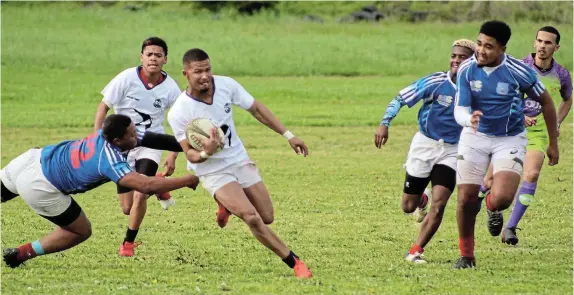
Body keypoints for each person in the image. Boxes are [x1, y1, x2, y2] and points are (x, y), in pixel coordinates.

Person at [167, 48, 312, 278]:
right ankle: (295, 262)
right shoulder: (179, 111)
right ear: (186, 74)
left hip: (238, 159)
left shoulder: (226, 85)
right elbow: (191, 155)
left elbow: (256, 109)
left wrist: (289, 135)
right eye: (198, 72)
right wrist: (206, 151)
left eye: (208, 69)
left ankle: (227, 205)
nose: (205, 76)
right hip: (212, 169)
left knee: (267, 216)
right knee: (251, 218)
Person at [1, 114, 200, 268]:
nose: (137, 135)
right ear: (117, 140)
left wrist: (193, 145)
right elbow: (145, 185)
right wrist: (188, 179)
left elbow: (158, 140)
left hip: (31, 159)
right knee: (81, 231)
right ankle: (22, 253)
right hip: (40, 186)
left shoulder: (108, 134)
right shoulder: (109, 160)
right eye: (131, 134)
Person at [452, 20, 559, 269]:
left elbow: (547, 103)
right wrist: (469, 119)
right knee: (466, 199)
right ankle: (467, 256)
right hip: (474, 135)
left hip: (509, 137)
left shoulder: (518, 71)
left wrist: (553, 142)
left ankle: (492, 207)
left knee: (501, 198)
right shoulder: (467, 69)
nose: (480, 50)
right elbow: (460, 109)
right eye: (479, 44)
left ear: (502, 49)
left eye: (488, 46)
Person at [375, 39, 476, 263]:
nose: (456, 60)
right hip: (425, 145)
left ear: (473, 61)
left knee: (439, 204)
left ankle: (416, 250)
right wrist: (385, 123)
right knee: (407, 206)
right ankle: (421, 200)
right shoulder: (435, 82)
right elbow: (400, 98)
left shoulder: (477, 88)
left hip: (453, 149)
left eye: (463, 57)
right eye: (454, 56)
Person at [477, 26, 572, 245]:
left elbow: (568, 99)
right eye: (539, 41)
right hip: (510, 131)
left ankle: (510, 228)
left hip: (537, 135)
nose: (542, 46)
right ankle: (483, 205)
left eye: (548, 43)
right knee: (489, 180)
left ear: (556, 47)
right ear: (534, 42)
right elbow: (503, 95)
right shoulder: (519, 67)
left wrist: (556, 122)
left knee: (531, 175)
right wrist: (519, 113)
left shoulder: (562, 75)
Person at [93, 37, 182, 257]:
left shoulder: (170, 87)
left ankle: (127, 244)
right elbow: (103, 108)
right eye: (149, 54)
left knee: (141, 194)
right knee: (126, 207)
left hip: (150, 143)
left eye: (158, 55)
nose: (153, 58)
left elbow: (181, 122)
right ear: (141, 57)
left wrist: (173, 156)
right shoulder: (126, 78)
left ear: (165, 60)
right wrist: (97, 139)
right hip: (121, 144)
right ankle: (158, 185)